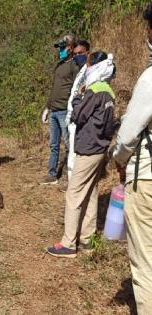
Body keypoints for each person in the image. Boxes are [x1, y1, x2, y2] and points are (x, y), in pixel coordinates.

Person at [47, 51, 117, 258]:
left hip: (88, 148)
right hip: (100, 148)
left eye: (88, 64)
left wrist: (78, 96)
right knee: (91, 192)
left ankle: (68, 243)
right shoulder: (108, 91)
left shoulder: (94, 90)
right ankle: (87, 240)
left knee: (74, 193)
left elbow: (78, 114)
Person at [112, 4, 152, 313]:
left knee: (146, 266)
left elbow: (126, 137)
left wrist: (119, 159)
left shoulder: (150, 79)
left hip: (148, 179)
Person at [41, 35, 80, 185]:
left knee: (69, 144)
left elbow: (77, 88)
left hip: (65, 111)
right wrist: (47, 107)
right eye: (60, 48)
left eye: (63, 48)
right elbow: (54, 89)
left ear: (70, 48)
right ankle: (52, 174)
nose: (61, 51)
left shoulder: (74, 65)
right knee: (54, 145)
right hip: (54, 111)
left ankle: (69, 177)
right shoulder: (59, 65)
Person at [66, 40, 91, 180]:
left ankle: (75, 187)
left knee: (76, 157)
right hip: (72, 119)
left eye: (81, 53)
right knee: (72, 154)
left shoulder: (92, 71)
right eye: (75, 54)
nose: (77, 56)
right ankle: (72, 185)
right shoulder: (80, 71)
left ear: (88, 52)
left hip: (81, 120)